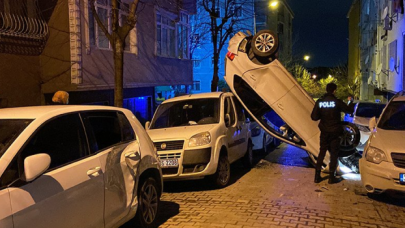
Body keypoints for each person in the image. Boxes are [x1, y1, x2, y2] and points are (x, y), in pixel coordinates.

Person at [311, 83, 354, 184]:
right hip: (335, 132)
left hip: (324, 132)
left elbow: (314, 117)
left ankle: (317, 176)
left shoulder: (320, 102)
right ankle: (331, 177)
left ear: (326, 90)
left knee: (322, 152)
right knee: (334, 154)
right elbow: (349, 110)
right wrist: (351, 101)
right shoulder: (337, 102)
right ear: (334, 90)